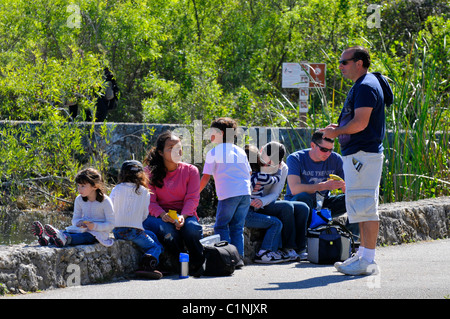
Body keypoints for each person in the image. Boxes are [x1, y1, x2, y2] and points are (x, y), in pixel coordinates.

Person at [321, 46, 393, 276]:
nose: (340, 67)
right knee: (360, 206)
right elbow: (357, 121)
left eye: (344, 62)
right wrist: (340, 128)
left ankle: (368, 260)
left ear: (358, 63)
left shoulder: (366, 86)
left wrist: (335, 132)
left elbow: (361, 123)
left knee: (366, 207)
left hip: (363, 154)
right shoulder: (364, 85)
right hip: (359, 154)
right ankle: (363, 255)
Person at [142, 131, 205, 275]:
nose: (177, 151)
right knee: (168, 232)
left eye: (179, 147)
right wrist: (162, 214)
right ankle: (180, 262)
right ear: (160, 152)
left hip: (185, 214)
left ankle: (198, 262)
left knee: (192, 230)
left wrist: (183, 215)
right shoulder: (149, 173)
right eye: (170, 148)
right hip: (160, 216)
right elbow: (149, 202)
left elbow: (192, 198)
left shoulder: (191, 171)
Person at [284, 131, 359, 241]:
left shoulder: (336, 159)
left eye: (330, 150)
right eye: (324, 149)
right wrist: (323, 186)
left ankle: (349, 242)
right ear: (313, 145)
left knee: (356, 199)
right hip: (298, 203)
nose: (328, 153)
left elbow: (349, 185)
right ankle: (302, 244)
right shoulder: (295, 158)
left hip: (322, 203)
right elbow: (295, 189)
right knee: (303, 197)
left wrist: (347, 188)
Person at [199, 117, 251, 267]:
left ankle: (227, 258)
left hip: (228, 194)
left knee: (221, 226)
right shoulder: (240, 151)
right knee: (237, 227)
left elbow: (206, 177)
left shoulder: (213, 152)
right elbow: (249, 172)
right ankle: (239, 258)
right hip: (245, 193)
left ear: (220, 133)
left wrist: (195, 193)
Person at [245, 141, 306, 261]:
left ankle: (300, 248)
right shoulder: (252, 162)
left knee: (303, 207)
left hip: (266, 202)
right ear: (261, 151)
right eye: (265, 162)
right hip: (252, 204)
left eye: (271, 164)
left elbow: (275, 193)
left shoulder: (282, 168)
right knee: (286, 207)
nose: (267, 165)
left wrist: (262, 201)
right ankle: (287, 247)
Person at [31, 168, 114, 248]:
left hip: (98, 234)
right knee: (66, 232)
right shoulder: (79, 199)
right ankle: (47, 239)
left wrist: (95, 226)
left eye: (82, 186)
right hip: (82, 229)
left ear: (95, 186)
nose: (79, 189)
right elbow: (75, 219)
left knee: (84, 237)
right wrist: (79, 222)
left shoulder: (105, 201)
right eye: (78, 185)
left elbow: (111, 224)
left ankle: (65, 240)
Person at [110, 160, 163, 279]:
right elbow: (144, 215)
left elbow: (110, 208)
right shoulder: (144, 192)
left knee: (152, 235)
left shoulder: (117, 188)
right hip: (135, 232)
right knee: (155, 247)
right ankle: (148, 264)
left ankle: (156, 262)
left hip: (118, 231)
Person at [244, 144, 284, 264]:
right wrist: (280, 170)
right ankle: (265, 252)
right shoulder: (261, 176)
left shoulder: (242, 175)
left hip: (239, 211)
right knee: (276, 223)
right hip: (248, 213)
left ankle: (269, 251)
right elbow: (275, 179)